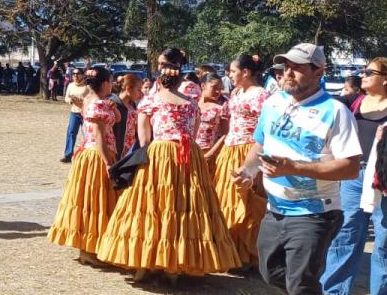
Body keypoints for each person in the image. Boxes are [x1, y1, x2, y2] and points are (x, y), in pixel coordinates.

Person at [232, 43, 361, 295]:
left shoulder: (335, 112)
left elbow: (350, 167)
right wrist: (248, 170)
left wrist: (296, 168)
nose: (287, 73)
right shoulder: (274, 103)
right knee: (271, 273)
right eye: (284, 67)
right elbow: (260, 143)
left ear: (319, 72)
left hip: (315, 212)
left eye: (298, 67)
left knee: (302, 283)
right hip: (276, 208)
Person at [96, 48, 240, 280]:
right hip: (188, 154)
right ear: (179, 80)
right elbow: (193, 133)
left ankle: (145, 263)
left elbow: (144, 138)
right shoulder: (191, 103)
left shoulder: (150, 101)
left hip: (160, 153)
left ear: (160, 80)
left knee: (152, 205)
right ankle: (176, 265)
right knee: (185, 206)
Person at [321, 57, 387, 295]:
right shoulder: (353, 103)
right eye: (362, 71)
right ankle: (333, 289)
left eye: (369, 72)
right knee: (346, 231)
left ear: (386, 79)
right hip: (354, 176)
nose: (362, 75)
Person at [48, 66, 119, 262]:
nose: (112, 84)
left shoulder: (91, 100)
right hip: (97, 155)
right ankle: (88, 249)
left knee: (91, 201)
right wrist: (107, 163)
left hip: (93, 153)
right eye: (110, 81)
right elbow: (99, 136)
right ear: (104, 83)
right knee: (95, 201)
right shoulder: (97, 104)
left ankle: (91, 247)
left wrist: (113, 107)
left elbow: (116, 120)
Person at [213, 55, 269, 267]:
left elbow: (266, 128)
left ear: (246, 72)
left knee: (246, 200)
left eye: (233, 71)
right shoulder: (236, 92)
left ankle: (247, 254)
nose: (230, 75)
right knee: (225, 198)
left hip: (248, 151)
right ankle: (229, 251)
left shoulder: (261, 95)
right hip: (230, 149)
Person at [195, 73, 229, 175]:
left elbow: (226, 134)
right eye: (214, 87)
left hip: (208, 152)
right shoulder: (192, 104)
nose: (218, 91)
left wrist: (211, 153)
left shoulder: (221, 108)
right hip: (191, 151)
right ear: (203, 86)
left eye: (220, 88)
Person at [61, 68, 91, 162]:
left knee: (87, 134)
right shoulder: (70, 85)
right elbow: (66, 97)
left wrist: (81, 102)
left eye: (77, 73)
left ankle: (88, 156)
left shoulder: (88, 87)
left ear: (82, 75)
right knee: (71, 132)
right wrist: (70, 100)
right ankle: (68, 155)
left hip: (86, 113)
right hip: (74, 112)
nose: (75, 75)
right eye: (73, 73)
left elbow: (91, 100)